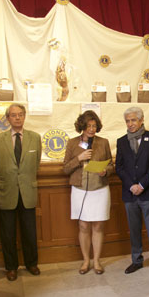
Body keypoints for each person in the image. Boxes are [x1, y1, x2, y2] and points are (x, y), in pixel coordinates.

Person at [0, 103, 42, 281]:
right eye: (13, 115)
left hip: (27, 190)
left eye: (20, 114)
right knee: (8, 232)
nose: (17, 118)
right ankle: (11, 267)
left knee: (29, 231)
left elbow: (35, 164)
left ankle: (31, 263)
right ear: (8, 118)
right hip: (7, 191)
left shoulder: (35, 138)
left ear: (25, 116)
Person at [63, 110, 114, 275]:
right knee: (84, 225)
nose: (91, 129)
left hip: (99, 188)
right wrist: (79, 158)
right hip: (79, 188)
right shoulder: (72, 143)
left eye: (94, 126)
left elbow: (111, 165)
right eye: (88, 126)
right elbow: (65, 168)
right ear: (82, 127)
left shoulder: (103, 142)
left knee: (98, 225)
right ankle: (86, 261)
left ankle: (97, 261)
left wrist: (105, 171)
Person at [115, 107, 149, 277]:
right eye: (127, 121)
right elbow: (119, 167)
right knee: (134, 229)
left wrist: (142, 185)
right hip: (129, 193)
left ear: (141, 120)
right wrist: (131, 185)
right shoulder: (121, 141)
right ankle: (136, 260)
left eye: (133, 120)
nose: (130, 124)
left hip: (148, 192)